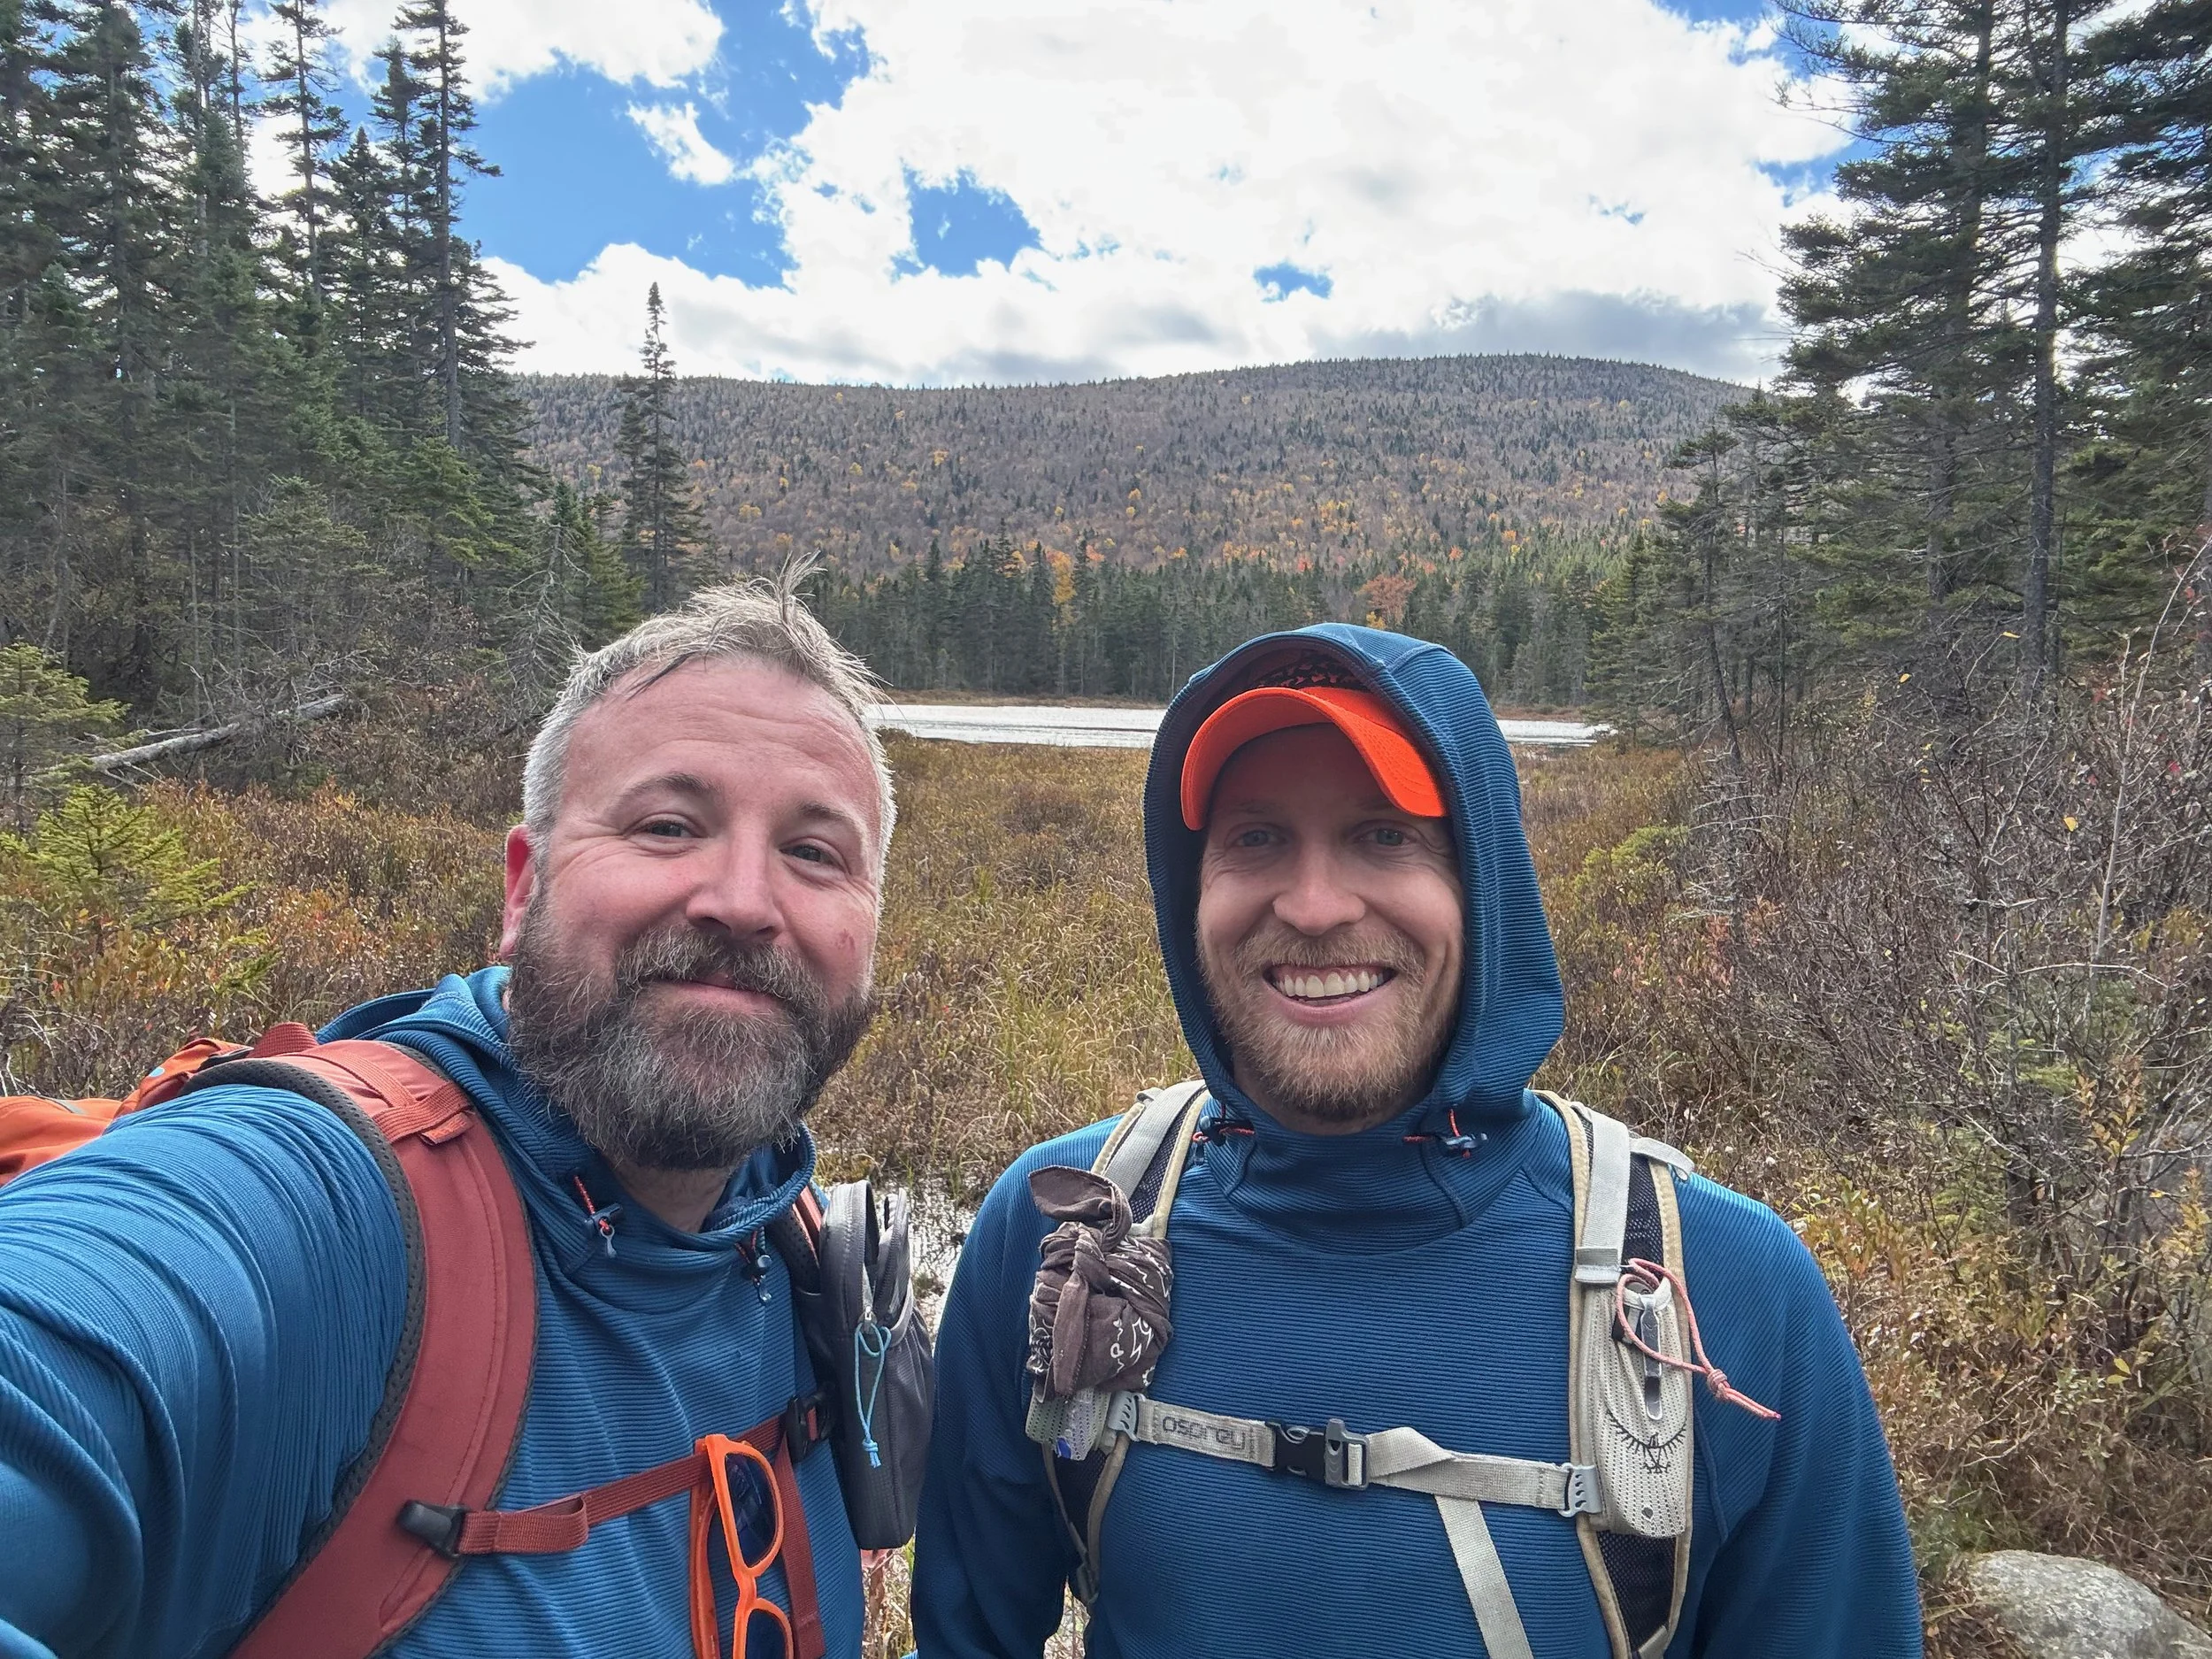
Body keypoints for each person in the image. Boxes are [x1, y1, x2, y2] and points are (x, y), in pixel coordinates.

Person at [914, 624, 1924, 1658]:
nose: (1312, 906)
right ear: (1189, 892)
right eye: (1254, 837)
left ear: (1484, 883)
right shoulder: (1060, 1232)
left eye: (1385, 834)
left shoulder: (1730, 1286)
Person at [0, 574, 893, 1657]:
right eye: (668, 824)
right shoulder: (315, 1203)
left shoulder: (797, 1261)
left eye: (814, 852)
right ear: (523, 892)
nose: (745, 901)